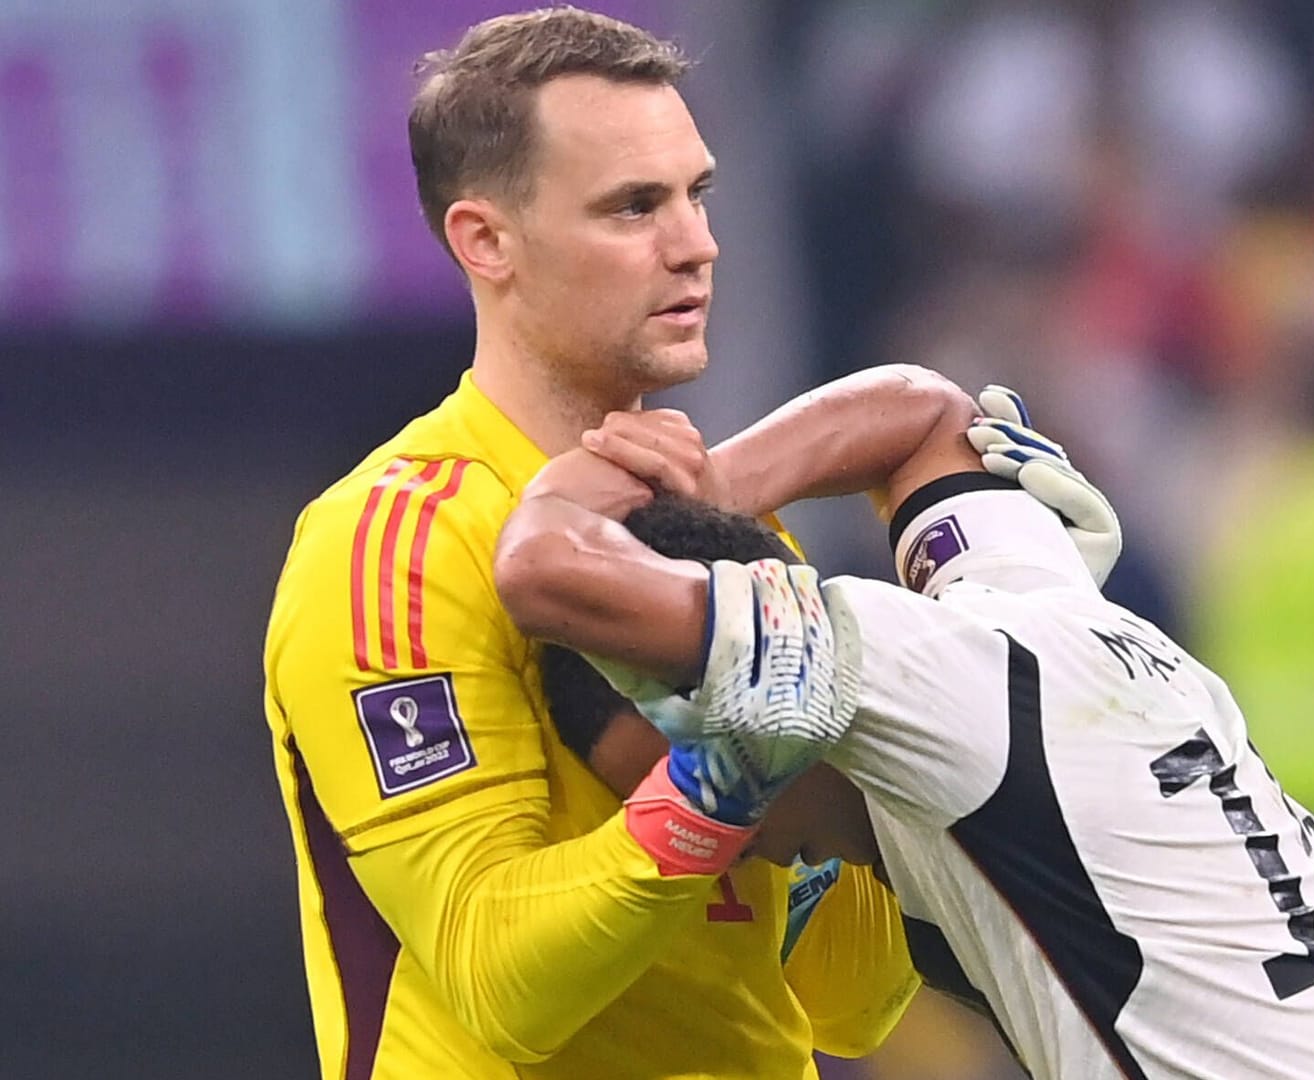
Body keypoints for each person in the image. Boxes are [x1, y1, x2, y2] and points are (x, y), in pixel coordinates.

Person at [261, 9, 916, 1078]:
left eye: (696, 194)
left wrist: (853, 810)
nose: (696, 243)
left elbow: (851, 1008)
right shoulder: (392, 543)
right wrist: (716, 789)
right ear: (485, 241)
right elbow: (499, 983)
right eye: (633, 207)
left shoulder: (729, 536)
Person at [495, 365, 1314, 1080]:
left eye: (692, 761)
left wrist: (606, 489)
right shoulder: (1022, 599)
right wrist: (711, 494)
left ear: (754, 683)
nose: (728, 841)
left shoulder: (914, 674)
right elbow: (925, 417)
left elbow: (541, 571)